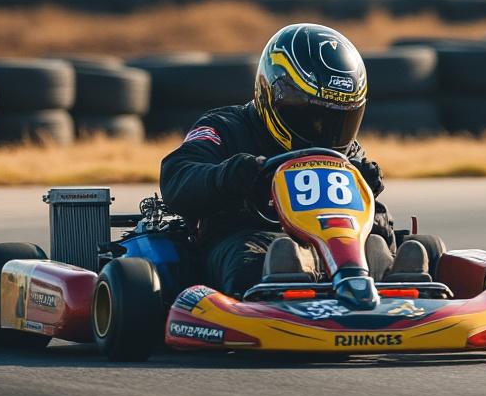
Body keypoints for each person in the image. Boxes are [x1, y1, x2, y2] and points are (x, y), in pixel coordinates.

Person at [160, 23, 428, 296]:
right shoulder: (225, 127)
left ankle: (396, 284)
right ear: (274, 93)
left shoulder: (348, 152)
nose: (325, 130)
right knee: (254, 256)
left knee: (379, 240)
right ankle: (283, 286)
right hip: (250, 234)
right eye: (313, 116)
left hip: (336, 242)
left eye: (339, 119)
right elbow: (177, 175)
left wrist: (366, 184)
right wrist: (232, 174)